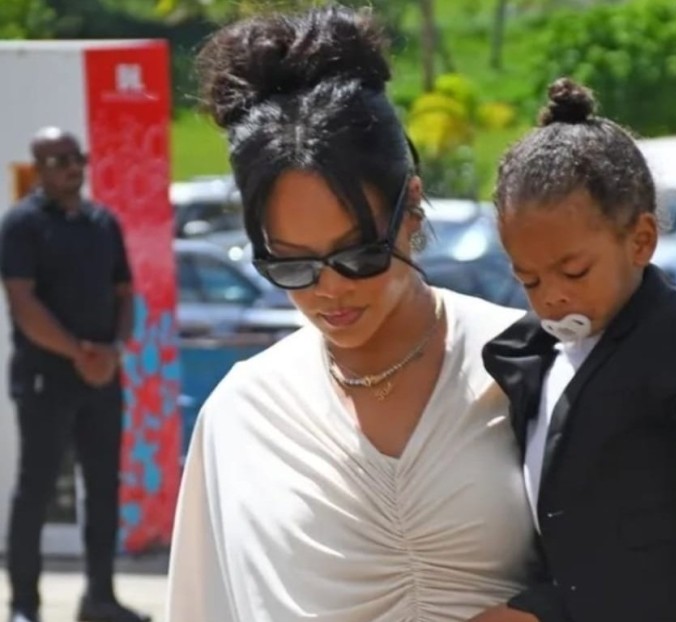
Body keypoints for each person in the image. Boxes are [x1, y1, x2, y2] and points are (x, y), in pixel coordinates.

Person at [165, 6, 535, 621]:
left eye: (359, 255)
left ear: (411, 207)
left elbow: (644, 555)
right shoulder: (243, 414)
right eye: (291, 265)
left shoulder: (530, 362)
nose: (329, 289)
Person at [475, 79, 676, 622]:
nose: (552, 296)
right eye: (530, 280)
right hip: (574, 594)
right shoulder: (531, 351)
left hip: (666, 598)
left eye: (574, 271)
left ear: (640, 241)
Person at [0, 128, 150, 622]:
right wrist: (79, 353)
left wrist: (114, 349)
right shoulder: (22, 225)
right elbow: (23, 304)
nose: (72, 167)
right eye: (59, 160)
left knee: (104, 487)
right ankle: (24, 604)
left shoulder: (102, 223)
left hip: (103, 376)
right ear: (39, 168)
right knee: (36, 490)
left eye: (77, 157)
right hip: (46, 378)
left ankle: (100, 599)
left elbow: (125, 293)